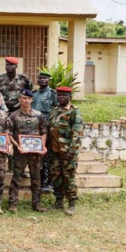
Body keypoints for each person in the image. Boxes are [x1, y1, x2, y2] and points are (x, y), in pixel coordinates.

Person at [8, 89, 48, 213]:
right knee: (17, 178)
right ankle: (13, 204)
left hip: (35, 153)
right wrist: (16, 145)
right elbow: (8, 133)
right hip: (20, 152)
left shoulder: (38, 115)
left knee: (36, 179)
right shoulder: (14, 116)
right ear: (19, 99)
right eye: (23, 98)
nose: (26, 100)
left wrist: (42, 146)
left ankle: (37, 204)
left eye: (28, 98)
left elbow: (44, 132)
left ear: (32, 100)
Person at [48, 86, 83, 216]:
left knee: (68, 177)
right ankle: (58, 201)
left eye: (64, 95)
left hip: (67, 151)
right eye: (59, 95)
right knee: (55, 176)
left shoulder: (74, 112)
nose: (61, 97)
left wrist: (72, 150)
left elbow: (77, 133)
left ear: (70, 97)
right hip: (54, 150)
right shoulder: (55, 110)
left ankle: (72, 203)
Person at [32, 70, 58, 193]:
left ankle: (49, 182)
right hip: (35, 129)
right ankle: (41, 181)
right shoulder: (35, 94)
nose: (42, 80)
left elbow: (57, 110)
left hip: (47, 129)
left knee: (48, 156)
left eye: (45, 78)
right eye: (40, 78)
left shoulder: (53, 94)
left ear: (49, 80)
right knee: (38, 156)